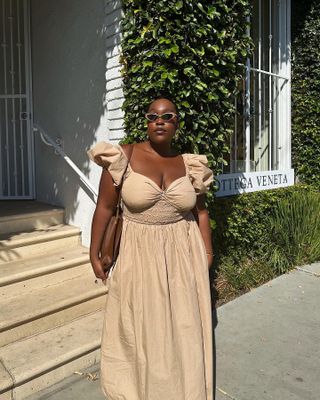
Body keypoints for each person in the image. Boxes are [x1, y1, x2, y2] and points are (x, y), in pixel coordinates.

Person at [87, 96, 215, 400]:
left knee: (183, 325)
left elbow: (201, 212)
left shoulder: (189, 164)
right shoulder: (123, 158)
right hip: (138, 253)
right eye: (153, 116)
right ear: (146, 122)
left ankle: (185, 388)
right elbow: (104, 208)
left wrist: (207, 252)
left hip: (184, 253)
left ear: (177, 124)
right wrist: (94, 252)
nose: (160, 120)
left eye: (168, 116)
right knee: (141, 328)